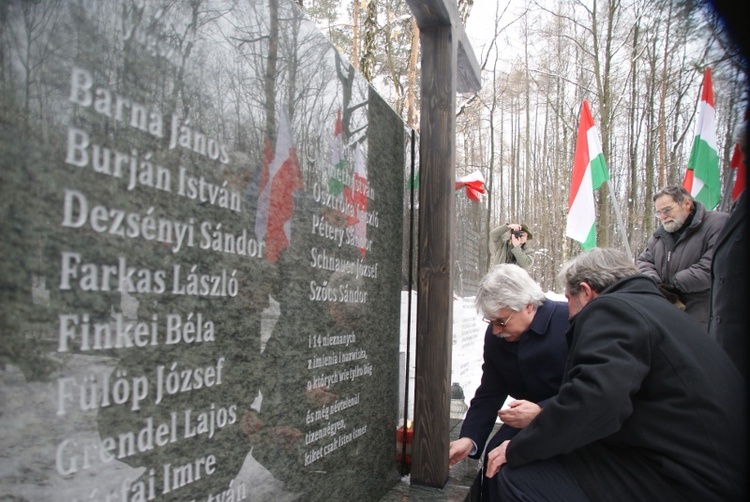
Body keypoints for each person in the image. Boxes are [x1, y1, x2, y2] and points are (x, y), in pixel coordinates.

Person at [485, 248, 746, 502]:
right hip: (712, 470)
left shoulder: (612, 309)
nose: (569, 311)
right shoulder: (659, 310)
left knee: (517, 476)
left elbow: (594, 401)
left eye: (568, 298)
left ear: (586, 292)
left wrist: (519, 448)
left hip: (687, 482)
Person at [448, 264, 569, 501]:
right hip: (526, 423)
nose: (494, 331)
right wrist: (469, 438)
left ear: (528, 306)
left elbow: (591, 392)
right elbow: (489, 391)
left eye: (501, 322)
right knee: (494, 461)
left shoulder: (569, 323)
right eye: (491, 321)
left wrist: (542, 412)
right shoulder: (499, 334)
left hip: (570, 424)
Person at [636, 185, 728, 330]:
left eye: (667, 210)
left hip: (706, 317)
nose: (663, 217)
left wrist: (674, 286)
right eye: (658, 213)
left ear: (686, 203)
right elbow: (644, 261)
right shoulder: (660, 234)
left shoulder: (717, 224)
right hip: (668, 316)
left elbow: (713, 266)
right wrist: (654, 283)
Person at [709, 118, 748, 378]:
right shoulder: (741, 203)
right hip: (727, 349)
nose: (742, 162)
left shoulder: (711, 224)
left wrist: (679, 281)